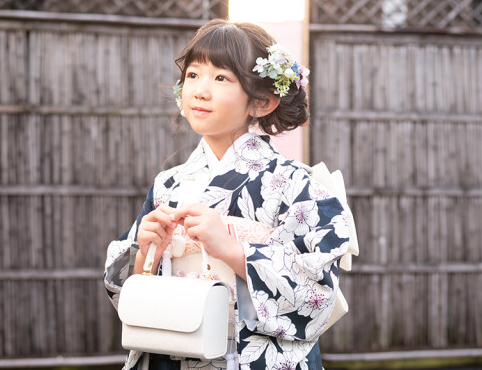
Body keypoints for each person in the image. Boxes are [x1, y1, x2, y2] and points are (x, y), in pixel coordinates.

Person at [104, 19, 350, 370]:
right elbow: (131, 294)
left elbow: (318, 295)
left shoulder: (299, 186)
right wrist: (147, 253)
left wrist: (232, 250)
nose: (200, 90)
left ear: (262, 102)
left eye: (221, 78)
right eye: (193, 75)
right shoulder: (168, 184)